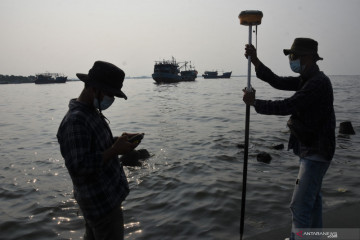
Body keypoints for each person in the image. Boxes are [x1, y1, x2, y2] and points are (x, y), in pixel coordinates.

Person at [243, 38, 335, 240]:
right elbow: (277, 81)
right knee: (313, 203)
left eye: (294, 56)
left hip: (316, 154)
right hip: (311, 151)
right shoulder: (307, 79)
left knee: (300, 206)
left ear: (308, 57)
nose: (291, 60)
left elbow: (288, 105)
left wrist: (255, 103)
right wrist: (256, 61)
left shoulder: (318, 83)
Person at [57, 61, 142, 240]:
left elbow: (95, 145)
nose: (111, 99)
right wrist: (114, 151)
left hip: (104, 201)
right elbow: (78, 167)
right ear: (94, 88)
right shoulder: (75, 121)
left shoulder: (90, 112)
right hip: (100, 207)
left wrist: (119, 141)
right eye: (109, 94)